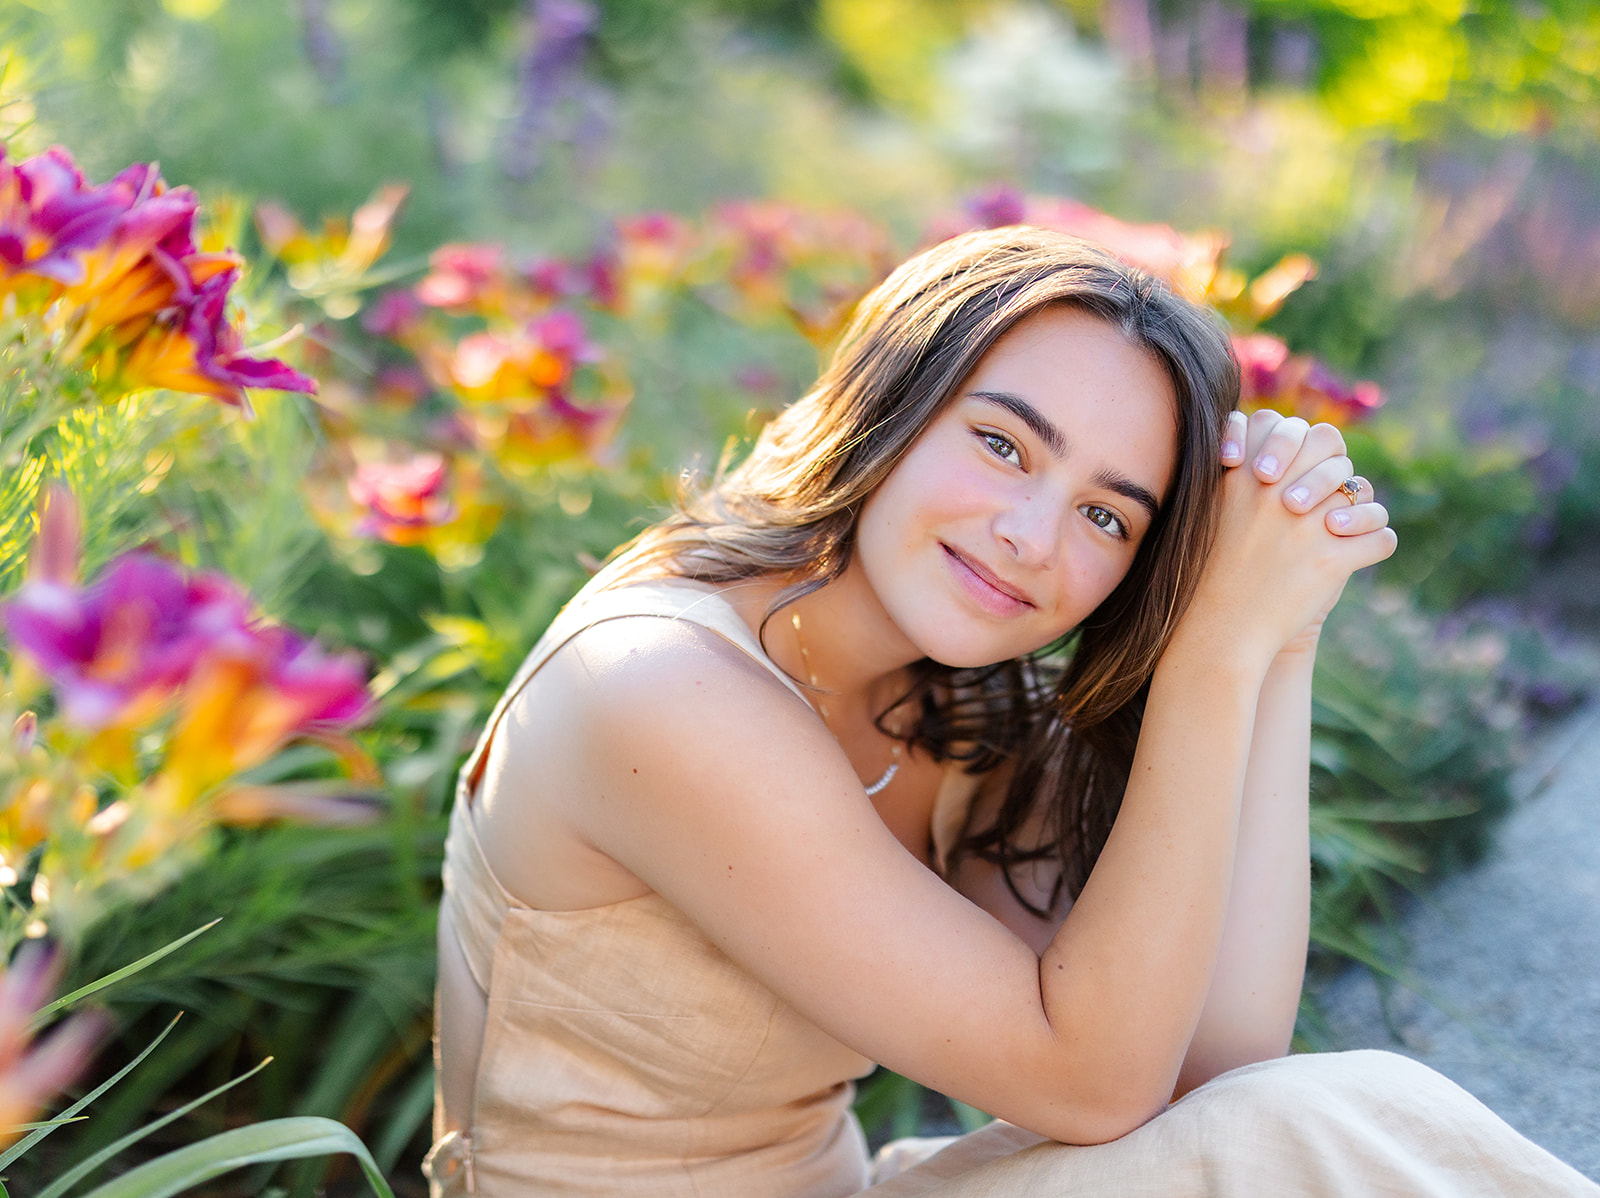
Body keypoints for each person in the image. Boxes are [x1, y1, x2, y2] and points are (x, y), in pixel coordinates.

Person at [426, 227, 1600, 1197]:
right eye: (1000, 443)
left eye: (1108, 517)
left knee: (1327, 1117)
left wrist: (1278, 638)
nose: (1030, 537)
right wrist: (1213, 654)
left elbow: (1217, 1069)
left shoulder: (962, 702)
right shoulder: (658, 685)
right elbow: (1086, 1083)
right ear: (888, 402)